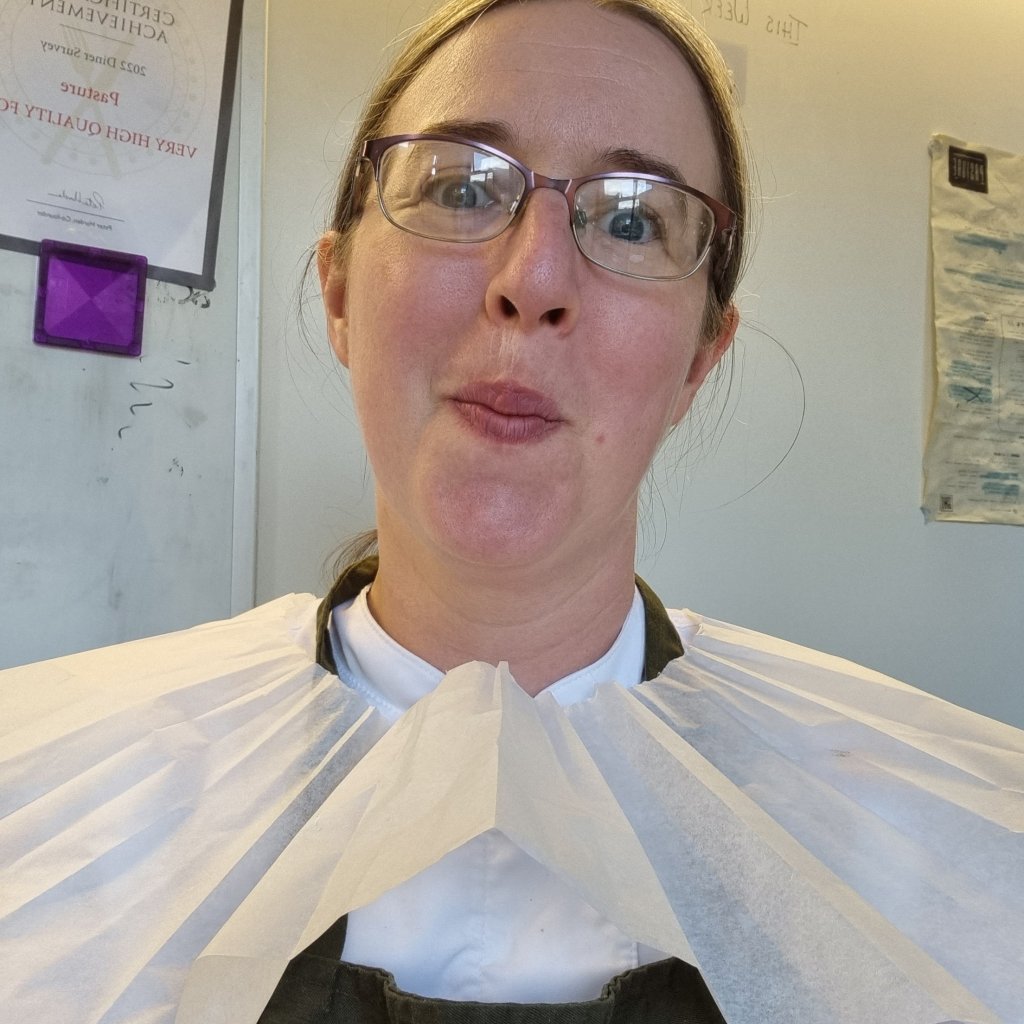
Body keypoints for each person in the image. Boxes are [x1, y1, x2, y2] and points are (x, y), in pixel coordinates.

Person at [1, 0, 1021, 1022]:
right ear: (340, 292)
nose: (532, 280)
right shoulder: (51, 809)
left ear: (698, 362)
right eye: (459, 187)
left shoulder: (936, 857)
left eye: (633, 219)